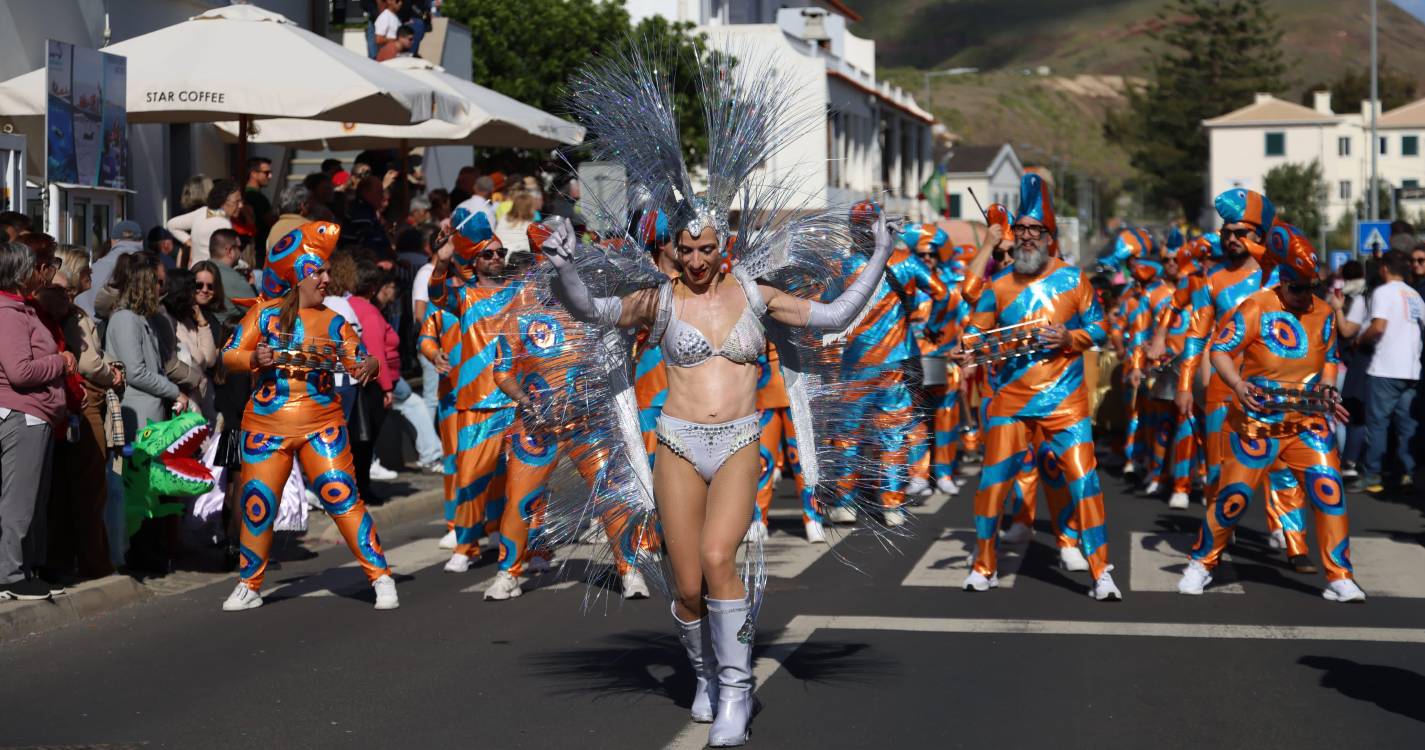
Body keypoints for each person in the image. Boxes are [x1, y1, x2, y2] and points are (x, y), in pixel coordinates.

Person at [952, 176, 1120, 599]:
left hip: (1066, 403)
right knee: (993, 486)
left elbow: (1101, 327)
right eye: (1021, 230)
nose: (1027, 237)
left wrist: (1070, 339)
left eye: (1035, 231)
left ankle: (1101, 573)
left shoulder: (1074, 280)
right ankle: (982, 567)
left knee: (1085, 484)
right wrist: (966, 352)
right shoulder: (1000, 284)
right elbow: (976, 332)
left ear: (1049, 236)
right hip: (1010, 400)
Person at [1179, 226, 1364, 601]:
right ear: (1283, 281)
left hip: (1307, 423)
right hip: (1256, 422)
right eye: (1298, 288)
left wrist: (1328, 390)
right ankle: (1201, 563)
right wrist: (1237, 385)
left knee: (1329, 493)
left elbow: (1330, 358)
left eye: (1312, 288)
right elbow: (1220, 349)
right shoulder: (1258, 306)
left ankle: (1340, 575)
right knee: (1233, 497)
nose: (1305, 297)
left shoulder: (1324, 312)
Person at [219, 220, 396, 611]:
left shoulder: (333, 321)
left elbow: (361, 357)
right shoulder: (263, 316)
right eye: (318, 271)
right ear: (297, 275)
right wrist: (253, 357)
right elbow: (228, 355)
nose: (327, 278)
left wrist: (368, 366)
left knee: (342, 496)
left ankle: (380, 575)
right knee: (258, 502)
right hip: (266, 425)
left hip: (321, 425)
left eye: (326, 270)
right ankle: (249, 583)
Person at [428, 209, 517, 573]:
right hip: (476, 404)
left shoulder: (518, 294)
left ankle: (528, 547)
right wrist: (440, 260)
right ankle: (466, 545)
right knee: (470, 480)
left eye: (500, 253)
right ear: (474, 260)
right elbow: (435, 294)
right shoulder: (461, 297)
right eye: (488, 254)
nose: (496, 258)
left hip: (516, 402)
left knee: (523, 478)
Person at [42, 246, 123, 580]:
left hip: (74, 400)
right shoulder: (71, 316)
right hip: (82, 401)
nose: (91, 274)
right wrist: (112, 374)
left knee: (70, 490)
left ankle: (72, 559)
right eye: (86, 269)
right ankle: (92, 562)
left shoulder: (68, 313)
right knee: (88, 488)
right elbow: (89, 362)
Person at [0, 242, 74, 600]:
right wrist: (61, 362)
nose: (39, 274)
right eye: (34, 267)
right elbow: (20, 371)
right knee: (19, 501)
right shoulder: (9, 313)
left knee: (27, 500)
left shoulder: (19, 308)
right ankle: (11, 575)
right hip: (23, 414)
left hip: (35, 414)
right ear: (19, 273)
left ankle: (22, 570)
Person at [1339, 250, 1423, 493]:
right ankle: (1408, 471)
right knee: (1406, 423)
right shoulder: (1414, 294)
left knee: (1377, 424)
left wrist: (1359, 341)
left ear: (1385, 268)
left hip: (1385, 367)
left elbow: (1378, 327)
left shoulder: (1383, 292)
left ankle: (1372, 473)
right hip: (1411, 369)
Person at [162, 269, 219, 421]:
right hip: (183, 402)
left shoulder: (189, 320)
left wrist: (201, 322)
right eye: (194, 288)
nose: (197, 293)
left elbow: (210, 359)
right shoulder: (169, 322)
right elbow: (195, 360)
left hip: (202, 397)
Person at [167, 179, 242, 267]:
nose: (241, 205)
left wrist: (189, 241)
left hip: (195, 269)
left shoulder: (203, 212)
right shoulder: (224, 224)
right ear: (223, 201)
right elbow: (230, 257)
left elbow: (171, 224)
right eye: (237, 202)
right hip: (213, 273)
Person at [77, 220, 144, 316]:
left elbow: (81, 302)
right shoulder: (146, 266)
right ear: (141, 241)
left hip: (89, 326)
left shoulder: (95, 268)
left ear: (113, 241)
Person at [343, 175, 393, 258]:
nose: (382, 196)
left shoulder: (369, 211)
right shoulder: (360, 212)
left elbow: (383, 240)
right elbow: (368, 244)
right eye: (378, 193)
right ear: (365, 192)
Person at [244, 157, 278, 251]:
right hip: (259, 248)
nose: (270, 176)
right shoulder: (256, 197)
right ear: (254, 174)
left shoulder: (246, 194)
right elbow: (271, 222)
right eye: (266, 173)